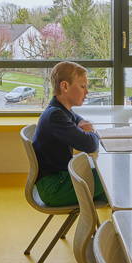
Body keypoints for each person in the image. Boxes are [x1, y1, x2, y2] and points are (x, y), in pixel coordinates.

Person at [32, 61, 107, 207]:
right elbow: (90, 145)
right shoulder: (55, 116)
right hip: (54, 188)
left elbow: (77, 119)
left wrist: (84, 126)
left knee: (112, 185)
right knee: (111, 175)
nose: (87, 91)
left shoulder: (59, 110)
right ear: (65, 86)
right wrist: (91, 131)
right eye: (82, 86)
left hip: (59, 180)